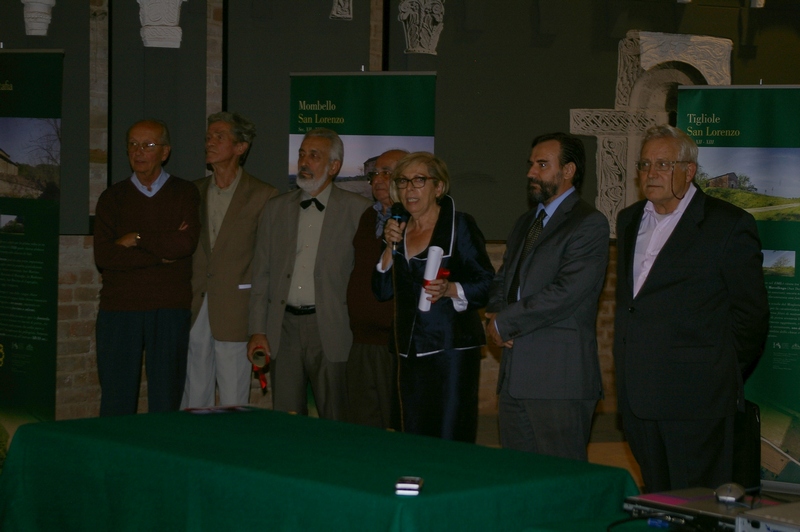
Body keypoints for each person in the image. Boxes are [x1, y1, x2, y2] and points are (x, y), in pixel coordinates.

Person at [615, 124, 769, 492]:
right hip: (638, 395)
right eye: (645, 164)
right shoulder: (629, 219)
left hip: (697, 401)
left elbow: (751, 316)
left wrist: (718, 370)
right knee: (657, 500)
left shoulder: (728, 225)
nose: (651, 173)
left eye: (664, 164)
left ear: (689, 171)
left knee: (697, 507)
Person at [485, 132, 609, 460]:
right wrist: (493, 314)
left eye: (542, 164)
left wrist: (505, 323)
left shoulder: (589, 224)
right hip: (515, 378)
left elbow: (565, 293)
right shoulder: (526, 221)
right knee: (519, 479)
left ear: (568, 170)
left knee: (561, 481)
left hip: (559, 381)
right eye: (531, 164)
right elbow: (504, 279)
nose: (531, 173)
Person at [247, 128, 371, 420]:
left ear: (334, 166)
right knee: (286, 419)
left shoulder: (359, 211)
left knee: (336, 418)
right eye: (302, 153)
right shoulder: (275, 209)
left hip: (331, 328)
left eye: (314, 155)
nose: (304, 160)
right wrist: (257, 330)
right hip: (283, 330)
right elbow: (261, 274)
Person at [374, 152, 494, 442]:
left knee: (449, 435)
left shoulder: (460, 226)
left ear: (438, 188)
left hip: (449, 351)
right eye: (403, 182)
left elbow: (488, 283)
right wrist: (389, 247)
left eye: (419, 180)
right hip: (407, 352)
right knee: (410, 434)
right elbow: (381, 291)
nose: (409, 189)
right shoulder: (398, 230)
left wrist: (450, 289)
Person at [94, 119, 200, 416]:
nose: (139, 152)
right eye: (133, 144)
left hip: (168, 309)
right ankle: (115, 461)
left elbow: (185, 245)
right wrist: (159, 253)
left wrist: (136, 239)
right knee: (116, 399)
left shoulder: (185, 193)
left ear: (165, 152)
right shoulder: (112, 198)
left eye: (148, 145)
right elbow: (105, 257)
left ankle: (160, 461)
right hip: (118, 311)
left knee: (166, 400)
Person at [181, 112, 278, 409]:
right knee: (194, 388)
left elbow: (268, 261)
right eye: (208, 137)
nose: (210, 142)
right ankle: (194, 448)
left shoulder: (264, 195)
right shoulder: (191, 192)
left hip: (237, 309)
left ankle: (233, 449)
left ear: (240, 147)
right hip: (195, 303)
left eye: (219, 137)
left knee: (235, 395)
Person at [345, 149, 407, 428]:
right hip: (360, 339)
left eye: (387, 172)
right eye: (374, 174)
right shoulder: (367, 218)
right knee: (363, 423)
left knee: (396, 423)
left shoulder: (416, 221)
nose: (378, 179)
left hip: (393, 343)